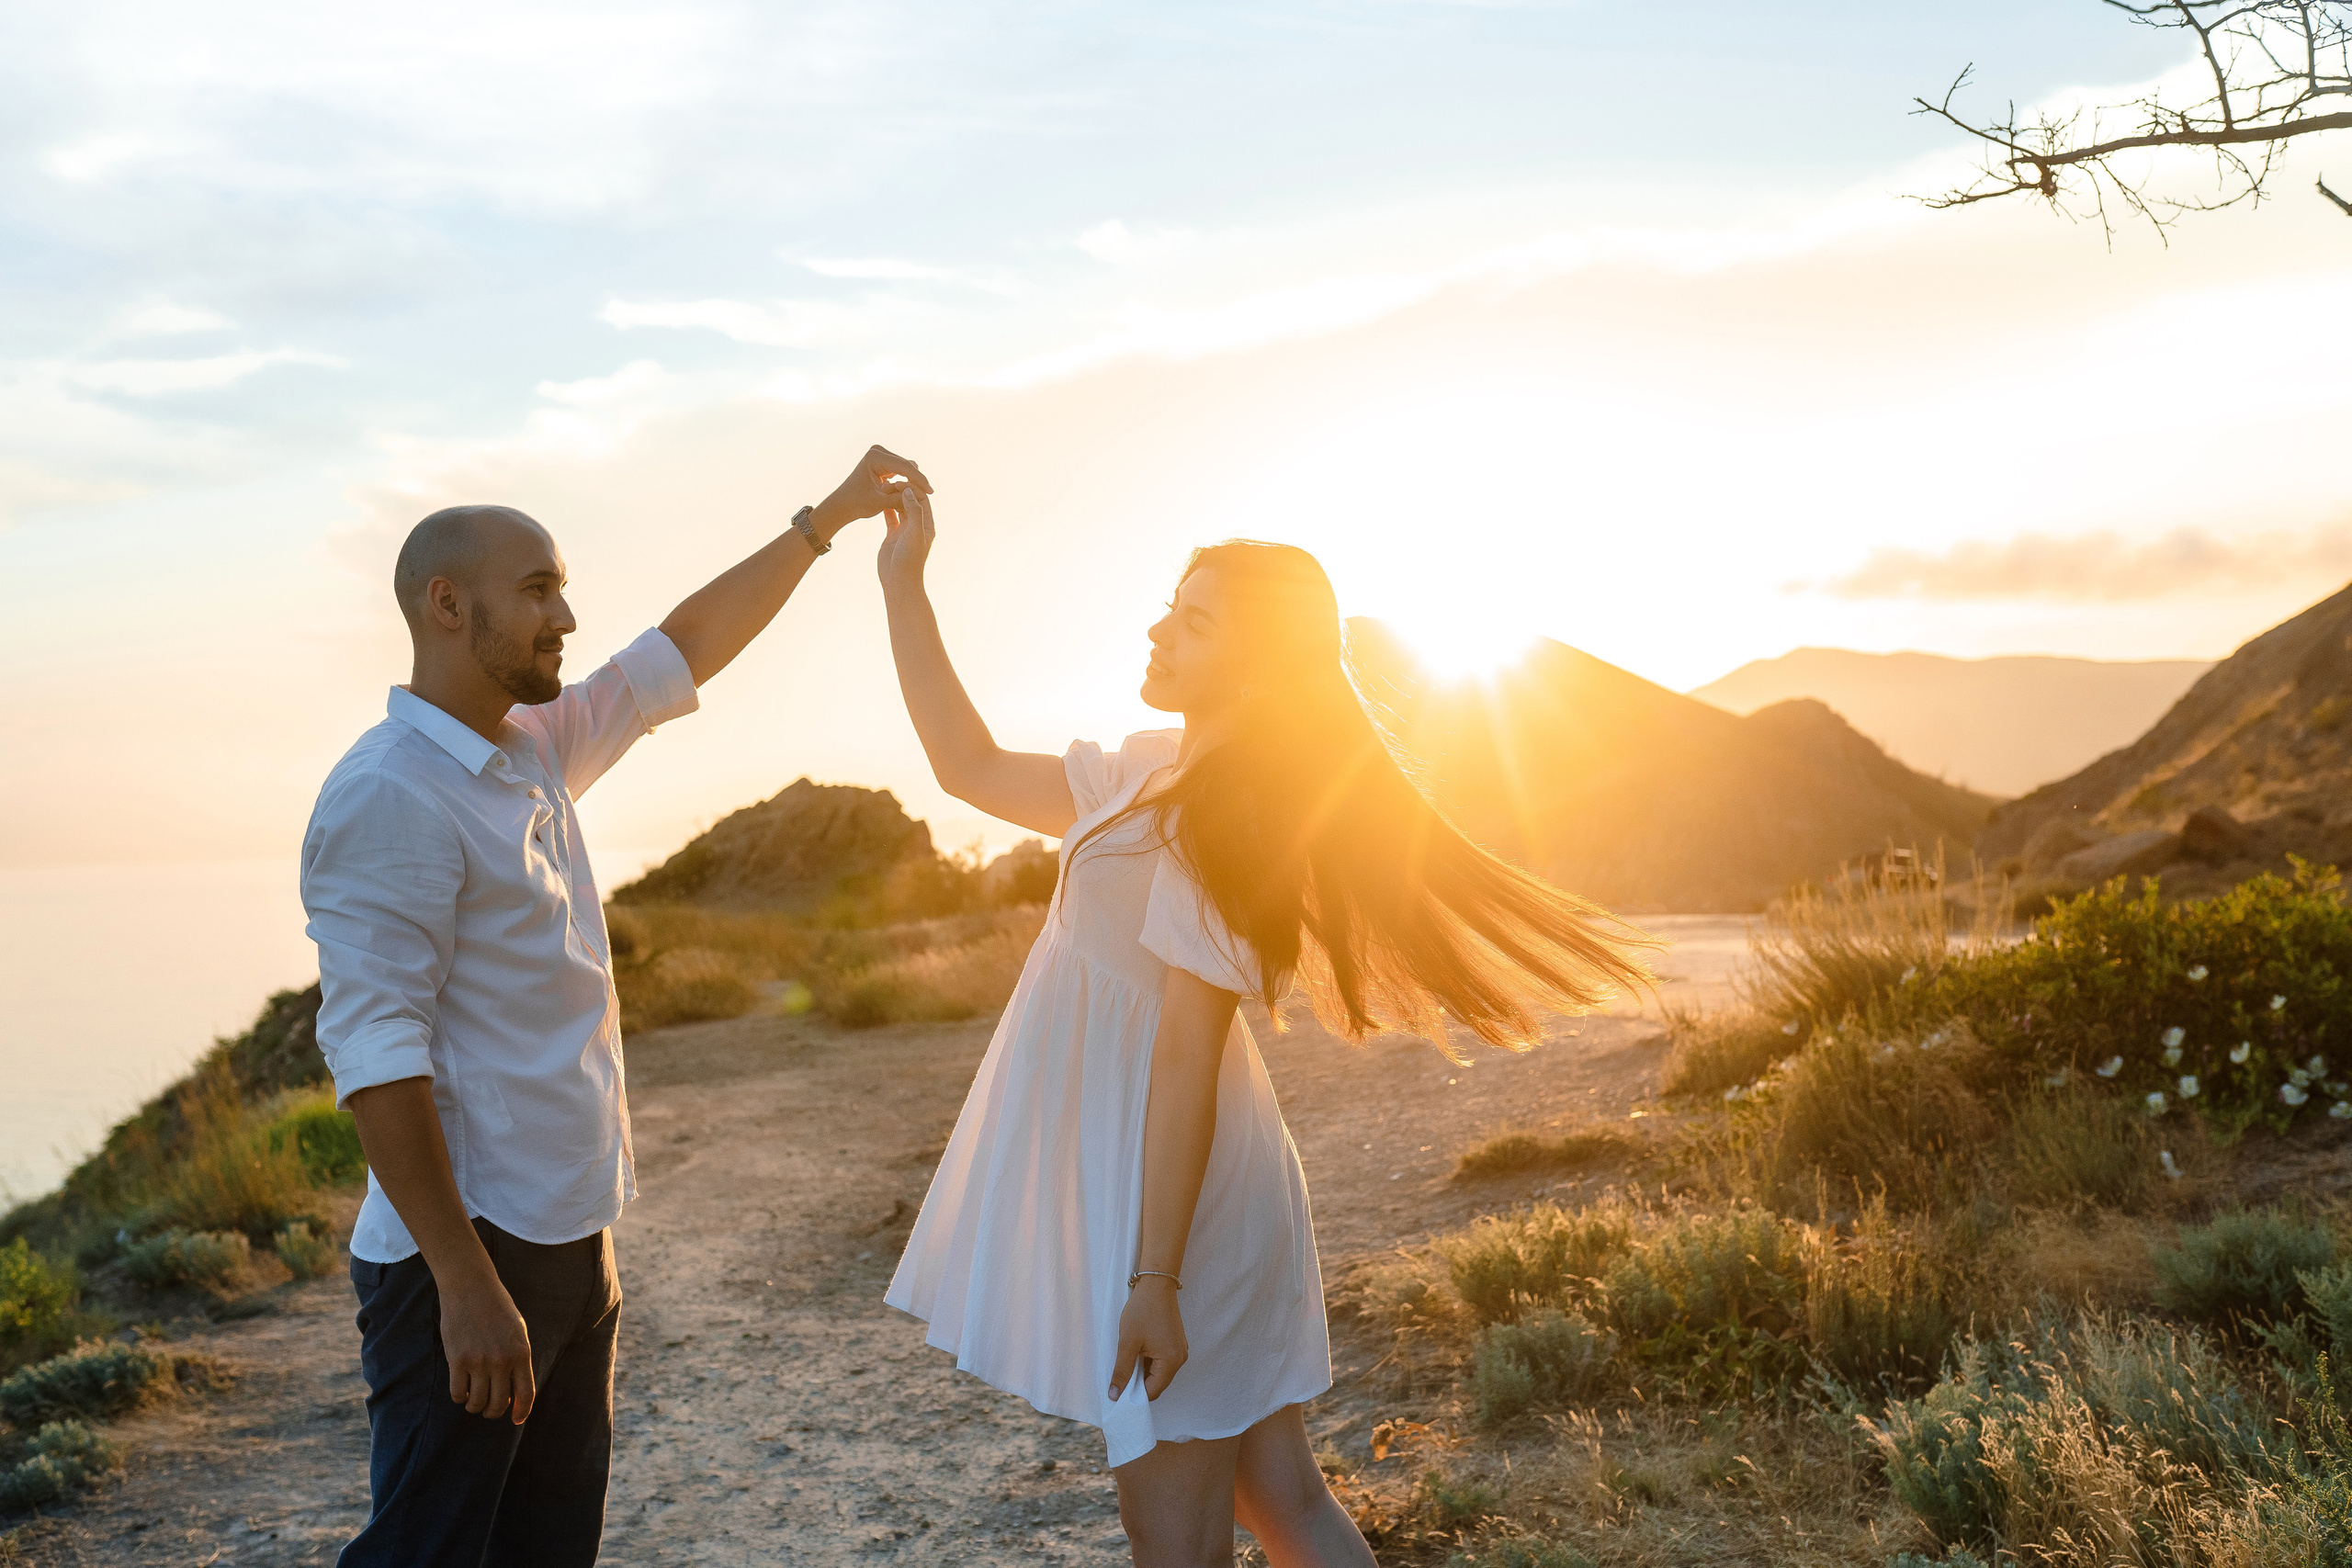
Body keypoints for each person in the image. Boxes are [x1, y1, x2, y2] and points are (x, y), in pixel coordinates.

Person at [875, 487, 1653, 1566]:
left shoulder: (1230, 823)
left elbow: (1186, 1057)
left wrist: (1154, 1284)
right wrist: (902, 587)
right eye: (1169, 606)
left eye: (1195, 621)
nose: (1159, 630)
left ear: (1253, 662)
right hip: (1160, 1195)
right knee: (1280, 1499)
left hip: (1185, 1217)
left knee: (1179, 1538)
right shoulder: (1153, 771)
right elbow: (966, 766)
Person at [301, 446, 929, 1568]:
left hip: (567, 1235)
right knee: (427, 1555)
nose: (568, 616)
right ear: (448, 605)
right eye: (538, 588)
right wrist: (463, 1283)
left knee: (545, 1553)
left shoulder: (529, 745)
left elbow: (679, 648)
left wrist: (822, 520)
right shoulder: (389, 792)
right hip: (472, 1248)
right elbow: (374, 1056)